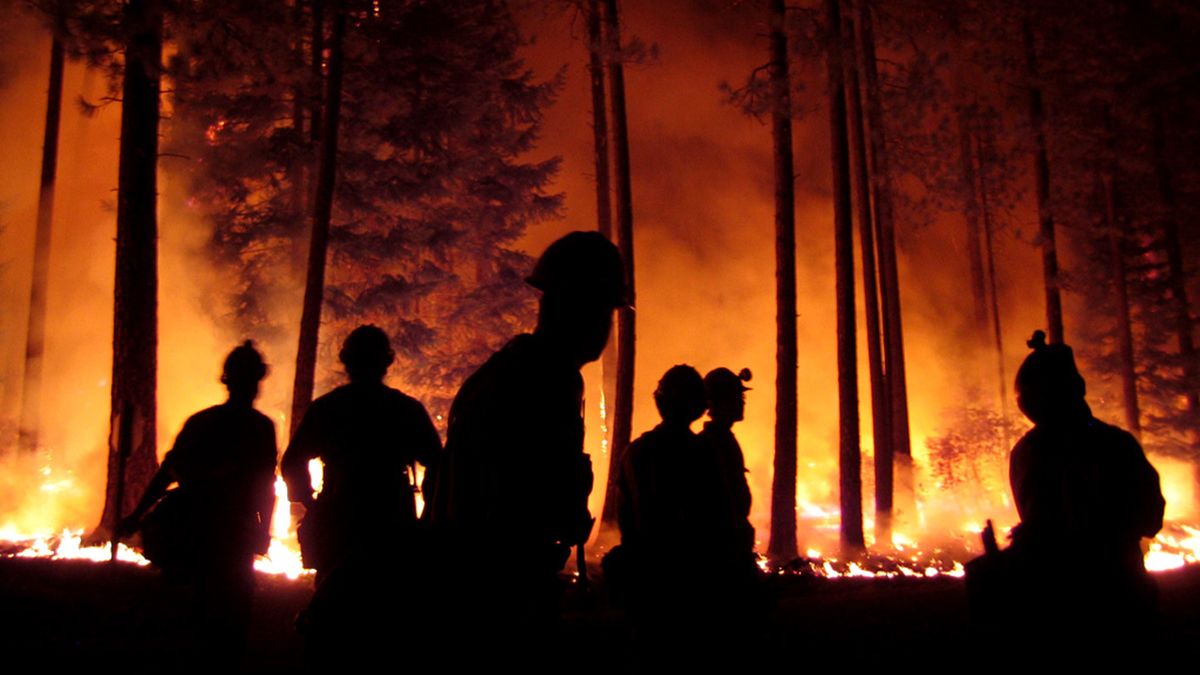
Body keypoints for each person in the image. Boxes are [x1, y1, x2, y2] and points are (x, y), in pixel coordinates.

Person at [423, 231, 627, 664]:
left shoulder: (514, 369)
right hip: (495, 588)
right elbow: (518, 491)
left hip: (473, 579)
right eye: (604, 311)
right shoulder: (544, 380)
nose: (607, 327)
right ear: (580, 310)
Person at [972, 330, 1164, 648]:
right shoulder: (1115, 443)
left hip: (1052, 599)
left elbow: (1037, 521)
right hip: (1117, 593)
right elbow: (1149, 518)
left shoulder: (1027, 451)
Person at [280, 324, 441, 661]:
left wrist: (310, 501)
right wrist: (428, 516)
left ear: (346, 361)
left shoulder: (328, 408)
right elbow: (439, 466)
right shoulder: (404, 409)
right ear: (386, 362)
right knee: (387, 613)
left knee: (333, 606)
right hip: (391, 520)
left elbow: (293, 462)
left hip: (340, 517)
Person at [118, 340, 277, 666]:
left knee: (197, 606)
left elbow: (168, 474)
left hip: (198, 524)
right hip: (233, 528)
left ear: (227, 380)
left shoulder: (202, 422)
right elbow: (264, 485)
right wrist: (263, 529)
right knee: (231, 611)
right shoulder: (260, 427)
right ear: (256, 383)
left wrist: (138, 514)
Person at [700, 366, 756, 565]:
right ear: (720, 401)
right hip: (723, 549)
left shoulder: (720, 439)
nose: (742, 403)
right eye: (736, 397)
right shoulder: (714, 442)